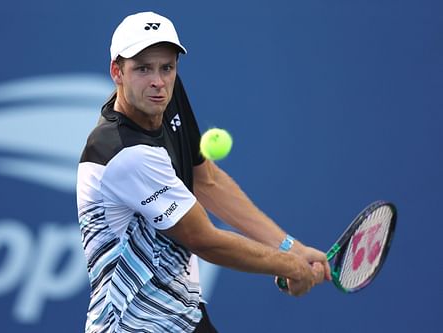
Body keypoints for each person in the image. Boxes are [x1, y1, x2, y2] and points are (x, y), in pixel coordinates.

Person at [76, 11, 331, 333]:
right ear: (117, 72)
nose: (158, 80)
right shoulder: (125, 153)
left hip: (184, 318)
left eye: (166, 67)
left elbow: (206, 180)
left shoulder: (163, 95)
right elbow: (204, 239)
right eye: (142, 68)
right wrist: (291, 266)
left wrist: (290, 247)